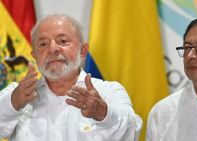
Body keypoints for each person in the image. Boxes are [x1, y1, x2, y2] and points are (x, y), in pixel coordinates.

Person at [0, 14, 142, 141]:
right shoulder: (16, 95)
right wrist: (13, 103)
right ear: (35, 56)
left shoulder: (109, 91)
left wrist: (103, 112)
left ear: (83, 50)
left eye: (62, 41)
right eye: (43, 44)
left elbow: (132, 133)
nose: (53, 49)